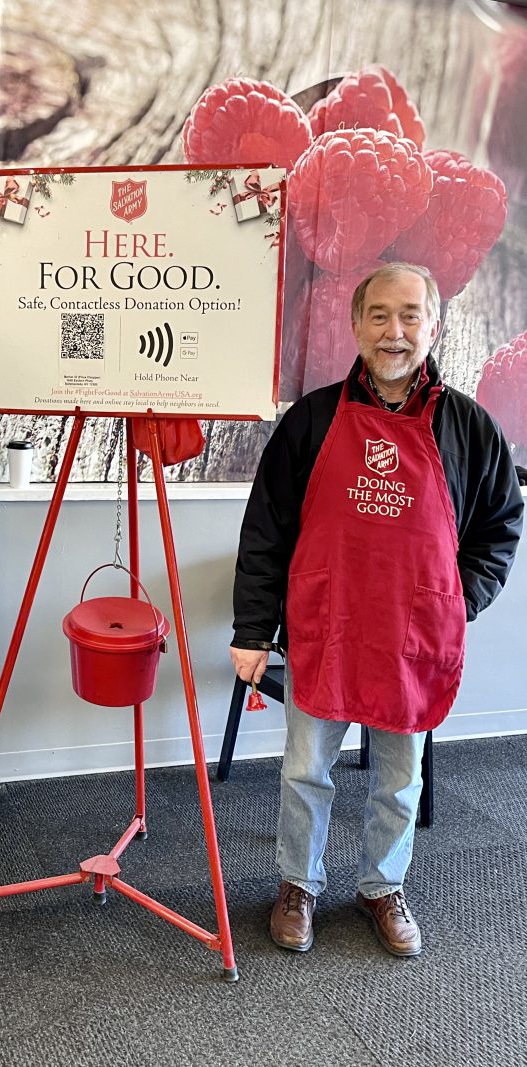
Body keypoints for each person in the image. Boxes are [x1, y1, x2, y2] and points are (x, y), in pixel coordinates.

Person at [230, 263, 523, 957]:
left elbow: (500, 525)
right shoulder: (310, 420)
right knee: (306, 768)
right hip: (324, 626)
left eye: (411, 315)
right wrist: (251, 631)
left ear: (435, 326)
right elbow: (265, 530)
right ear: (357, 325)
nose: (396, 331)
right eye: (380, 315)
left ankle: (381, 886)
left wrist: (460, 599)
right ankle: (297, 883)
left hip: (412, 636)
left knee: (400, 777)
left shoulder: (469, 427)